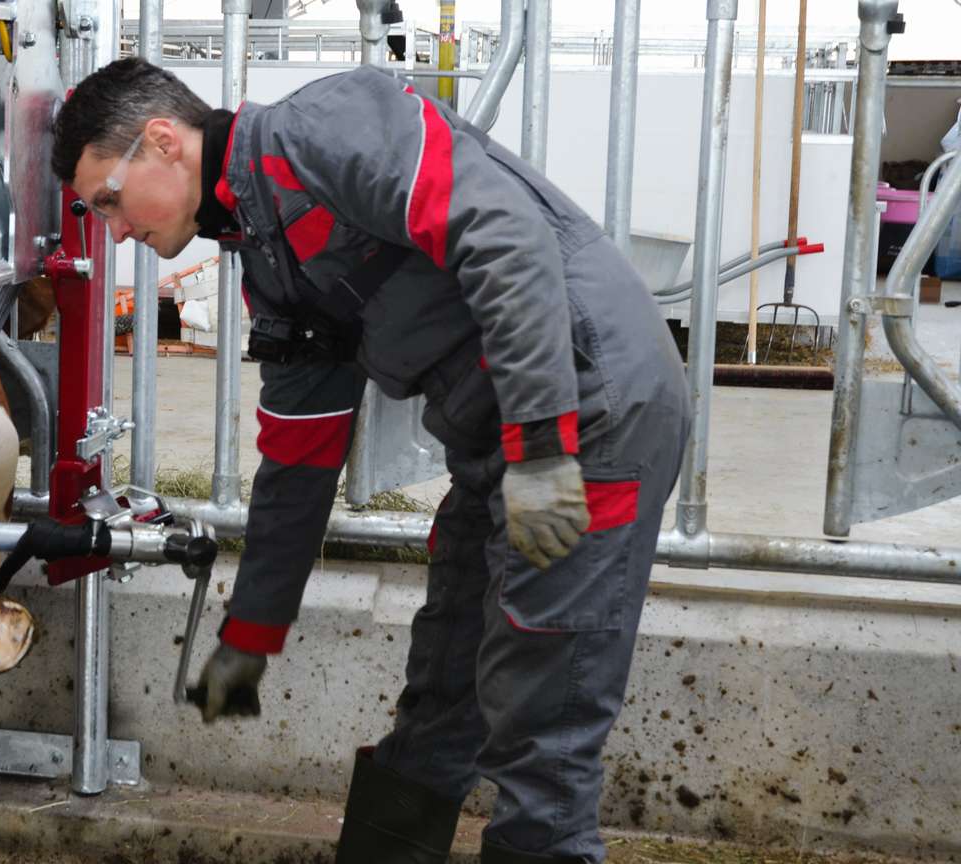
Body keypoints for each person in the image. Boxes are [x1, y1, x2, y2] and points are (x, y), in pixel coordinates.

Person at [51, 57, 690, 864]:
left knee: (544, 723)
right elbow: (300, 451)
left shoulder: (328, 126)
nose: (112, 231)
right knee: (445, 684)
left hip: (587, 414)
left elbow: (506, 239)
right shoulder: (270, 260)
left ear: (163, 141)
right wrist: (250, 631)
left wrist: (539, 455)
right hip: (504, 446)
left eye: (108, 200)